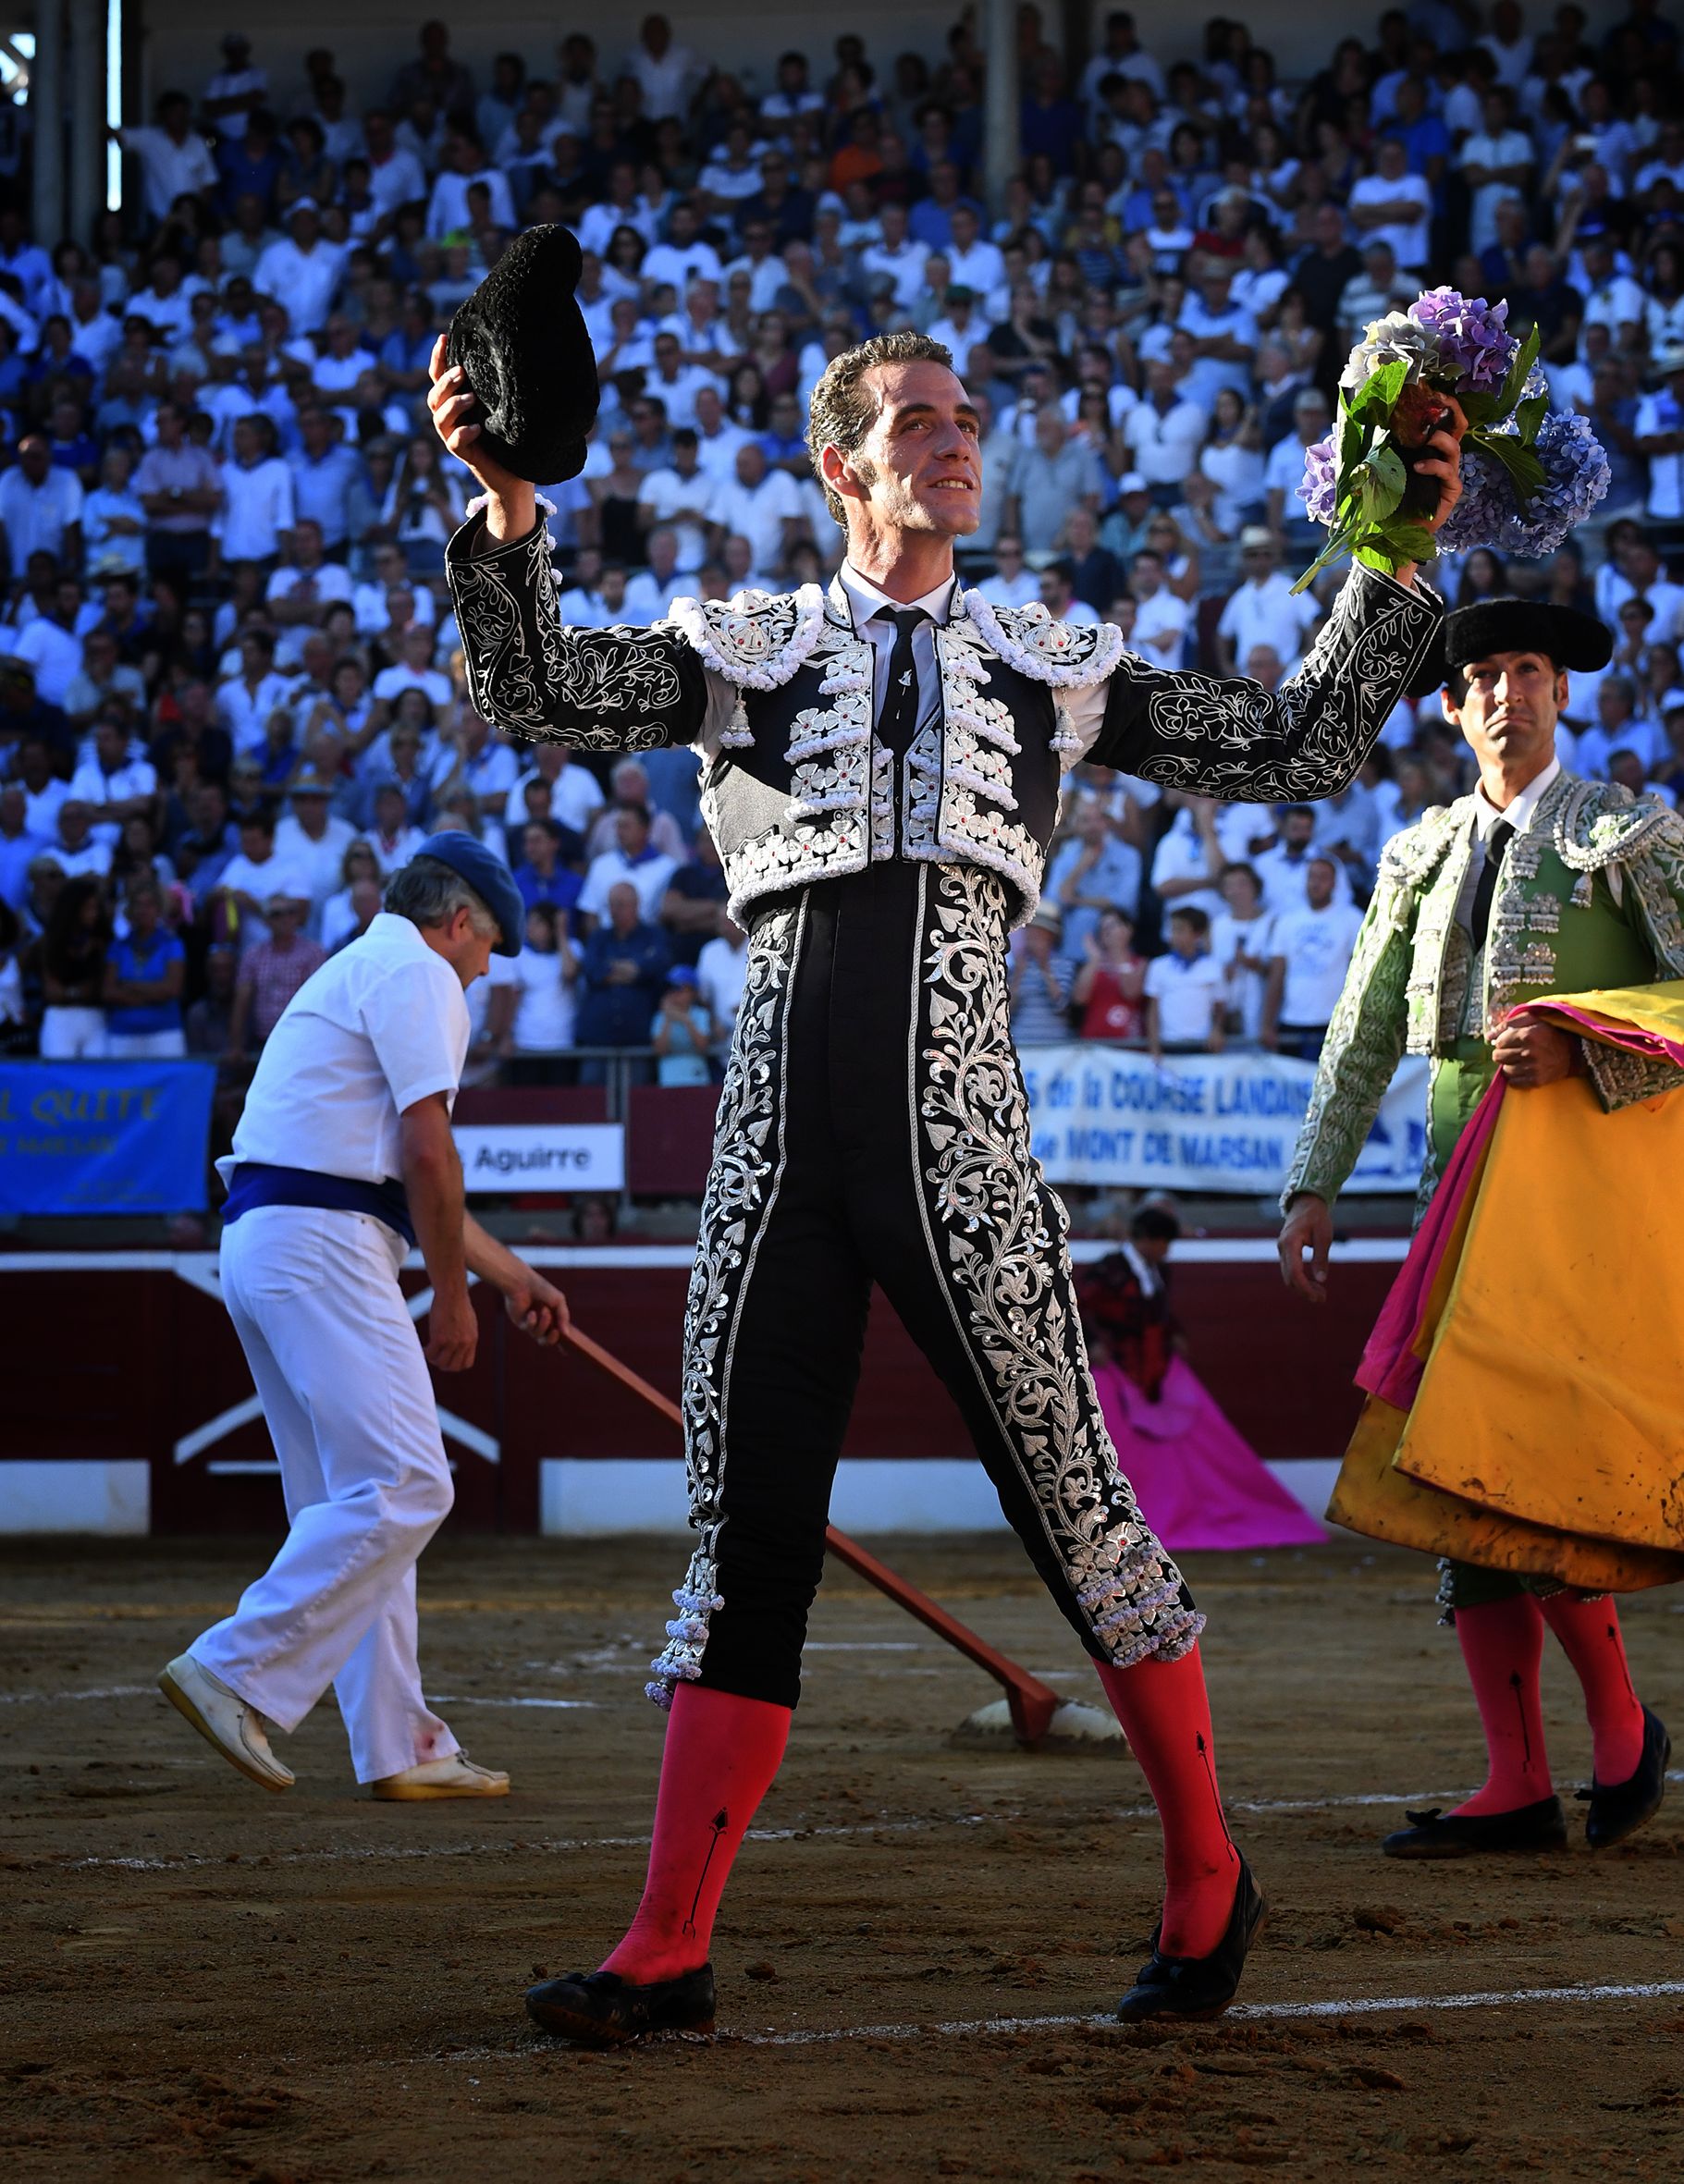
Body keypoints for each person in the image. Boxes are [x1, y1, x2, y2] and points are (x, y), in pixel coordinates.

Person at [434, 320, 1454, 2043]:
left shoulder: (1045, 660)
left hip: (960, 1126)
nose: (953, 441)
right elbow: (535, 690)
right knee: (744, 1528)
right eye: (914, 421)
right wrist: (509, 508)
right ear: (843, 467)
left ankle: (1210, 1875)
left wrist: (1391, 558)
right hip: (773, 1137)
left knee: (1076, 1505)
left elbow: (1285, 745)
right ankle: (668, 1941)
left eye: (962, 416)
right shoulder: (748, 644)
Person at [1279, 599, 1683, 1860]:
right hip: (1455, 1179)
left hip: (1581, 1192)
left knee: (1539, 1466)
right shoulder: (1414, 853)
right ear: (1450, 709)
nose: (1506, 690)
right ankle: (1518, 1778)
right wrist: (1312, 1181)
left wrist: (1580, 1034)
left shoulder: (1629, 831)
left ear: (1561, 690)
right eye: (1480, 676)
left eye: (1527, 669)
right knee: (1455, 1472)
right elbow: (1357, 1033)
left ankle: (1618, 1736)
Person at [157, 837, 570, 1798]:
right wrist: (456, 1296)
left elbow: (403, 1171)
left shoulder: (363, 965)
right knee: (408, 1483)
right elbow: (428, 1154)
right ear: (459, 919)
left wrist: (512, 1277)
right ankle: (233, 1668)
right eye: (488, 947)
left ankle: (401, 1746)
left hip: (274, 1236)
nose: (484, 968)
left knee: (354, 1501)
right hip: (324, 1241)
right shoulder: (421, 972)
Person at [1260, 854, 1364, 1063]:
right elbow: (1277, 974)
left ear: (1334, 883)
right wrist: (1267, 1024)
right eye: (1312, 877)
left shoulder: (1352, 918)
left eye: (1323, 877)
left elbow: (1361, 974)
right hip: (1292, 1020)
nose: (1316, 883)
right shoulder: (1287, 921)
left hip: (1335, 1021)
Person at [102, 878, 187, 1056]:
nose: (143, 910)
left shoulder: (172, 945)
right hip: (122, 1034)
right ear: (130, 910)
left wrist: (130, 987)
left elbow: (172, 989)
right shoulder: (118, 946)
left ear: (159, 909)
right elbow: (109, 992)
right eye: (138, 905)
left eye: (149, 905)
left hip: (165, 1033)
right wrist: (154, 994)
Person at [1144, 905, 1225, 1058]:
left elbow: (1219, 1006)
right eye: (1173, 930)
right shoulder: (1158, 966)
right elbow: (1152, 1010)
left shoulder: (1213, 967)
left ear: (1197, 934)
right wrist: (1154, 1046)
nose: (1174, 935)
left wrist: (1217, 1030)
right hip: (1168, 1043)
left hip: (1202, 1044)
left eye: (1180, 930)